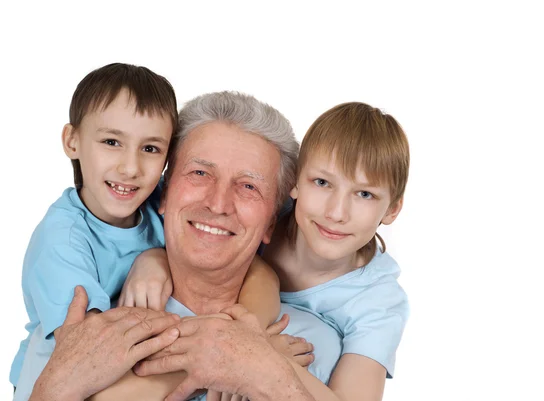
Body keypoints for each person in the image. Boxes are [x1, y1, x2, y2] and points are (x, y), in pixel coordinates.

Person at [29, 91, 343, 401]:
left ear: (271, 223)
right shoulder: (87, 325)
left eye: (249, 186)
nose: (218, 204)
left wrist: (263, 369)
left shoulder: (312, 343)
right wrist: (215, 360)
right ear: (163, 195)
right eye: (200, 173)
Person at [121, 101, 411, 401]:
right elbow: (255, 270)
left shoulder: (378, 304)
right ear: (295, 186)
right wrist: (153, 258)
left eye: (364, 194)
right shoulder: (279, 214)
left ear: (392, 209)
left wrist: (255, 358)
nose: (337, 212)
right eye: (322, 182)